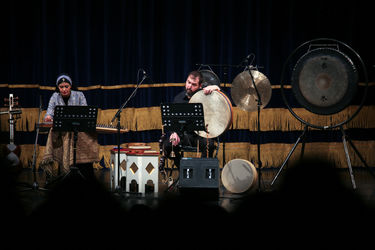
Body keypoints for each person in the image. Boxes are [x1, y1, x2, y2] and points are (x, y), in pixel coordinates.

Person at [41, 74, 99, 181]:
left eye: (66, 86)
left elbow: (85, 113)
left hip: (78, 129)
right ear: (58, 88)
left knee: (88, 136)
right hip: (62, 131)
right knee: (56, 133)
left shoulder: (79, 95)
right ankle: (64, 171)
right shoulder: (54, 97)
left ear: (70, 86)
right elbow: (48, 113)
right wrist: (48, 117)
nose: (64, 89)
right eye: (61, 87)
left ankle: (83, 171)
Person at [162, 70, 220, 168]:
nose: (189, 86)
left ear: (200, 86)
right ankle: (184, 170)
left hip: (201, 136)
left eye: (194, 84)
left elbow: (226, 99)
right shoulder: (178, 98)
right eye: (188, 82)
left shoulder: (206, 96)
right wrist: (173, 132)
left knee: (209, 145)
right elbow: (173, 120)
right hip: (184, 136)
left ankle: (201, 172)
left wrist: (216, 88)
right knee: (167, 145)